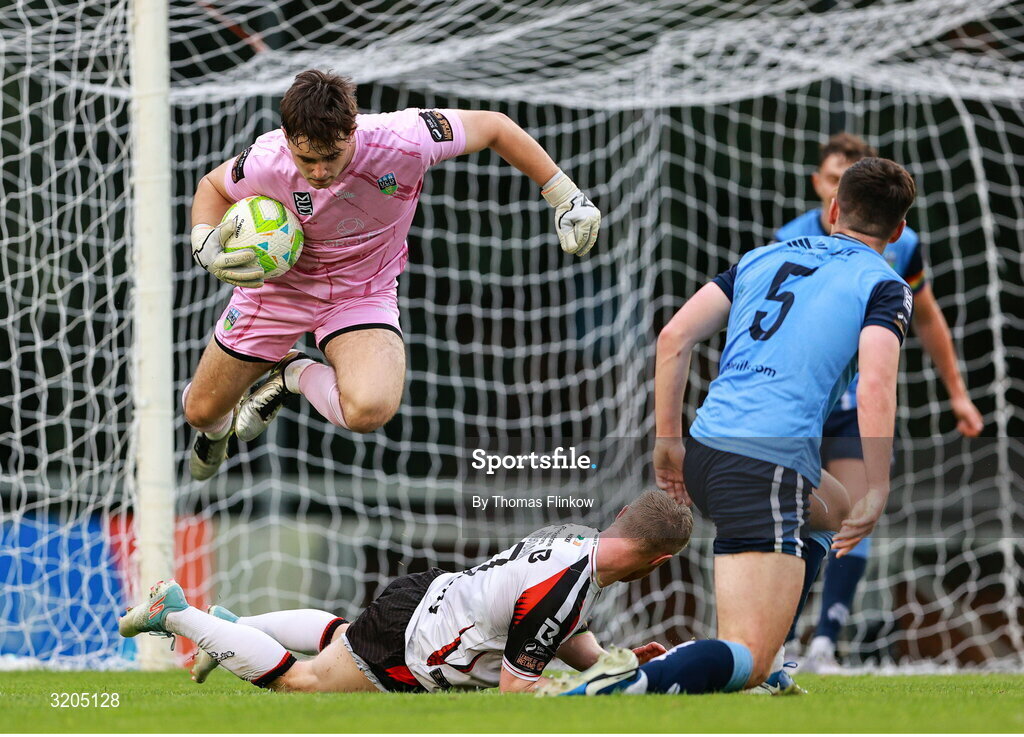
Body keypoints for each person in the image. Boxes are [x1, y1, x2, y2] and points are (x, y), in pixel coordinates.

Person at [557, 157, 917, 697]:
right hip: (765, 468)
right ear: (898, 230)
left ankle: (771, 660)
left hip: (705, 451)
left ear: (834, 209)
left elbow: (673, 338)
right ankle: (614, 684)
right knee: (745, 657)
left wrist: (668, 441)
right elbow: (874, 386)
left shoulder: (761, 258)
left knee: (833, 508)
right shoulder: (885, 285)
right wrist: (880, 486)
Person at [185, 70, 601, 479]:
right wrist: (204, 241)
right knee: (200, 411)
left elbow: (494, 127)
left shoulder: (404, 138)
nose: (318, 173)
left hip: (361, 294)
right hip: (277, 294)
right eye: (306, 159)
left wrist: (564, 194)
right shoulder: (264, 160)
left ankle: (292, 372)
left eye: (331, 157)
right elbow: (212, 186)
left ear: (353, 130)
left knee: (369, 410)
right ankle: (216, 431)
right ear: (287, 137)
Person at [118, 490, 692, 693]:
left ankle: (235, 629)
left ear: (620, 517)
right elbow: (521, 690)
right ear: (660, 560)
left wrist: (609, 662)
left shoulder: (577, 540)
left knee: (341, 638)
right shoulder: (566, 589)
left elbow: (557, 630)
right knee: (304, 683)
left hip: (428, 599)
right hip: (419, 638)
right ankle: (179, 615)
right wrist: (598, 693)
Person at [775, 133, 983, 673]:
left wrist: (958, 395)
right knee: (797, 514)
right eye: (828, 176)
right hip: (801, 402)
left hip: (853, 398)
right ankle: (783, 636)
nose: (831, 188)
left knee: (857, 506)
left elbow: (929, 317)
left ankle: (826, 640)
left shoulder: (901, 252)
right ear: (823, 189)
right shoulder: (791, 242)